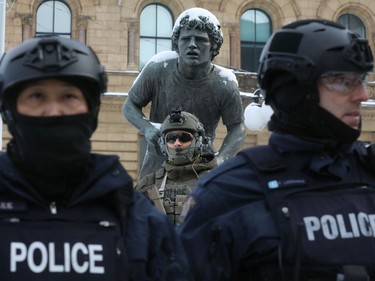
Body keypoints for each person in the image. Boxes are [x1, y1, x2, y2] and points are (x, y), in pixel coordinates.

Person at [177, 19, 375, 280]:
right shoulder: (227, 195)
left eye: (360, 79)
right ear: (294, 89)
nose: (362, 94)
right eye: (342, 81)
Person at [0, 36, 192, 281]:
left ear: (90, 111)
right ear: (10, 112)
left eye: (69, 96)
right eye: (36, 96)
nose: (54, 110)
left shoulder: (140, 222)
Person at [122, 7, 245, 179]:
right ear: (177, 44)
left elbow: (237, 127)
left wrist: (222, 159)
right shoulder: (158, 68)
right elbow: (129, 105)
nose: (192, 45)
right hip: (159, 161)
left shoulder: (224, 83)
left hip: (201, 163)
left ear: (213, 46)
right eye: (186, 39)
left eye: (201, 40)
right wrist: (147, 128)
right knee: (148, 202)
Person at [136, 108, 218, 226]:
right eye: (171, 138)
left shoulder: (215, 182)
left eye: (184, 138)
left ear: (198, 141)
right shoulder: (149, 183)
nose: (177, 143)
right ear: (163, 144)